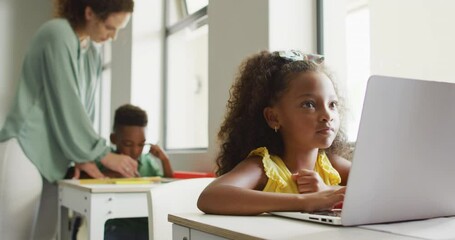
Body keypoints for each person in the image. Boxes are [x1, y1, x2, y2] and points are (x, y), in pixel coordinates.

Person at [0, 1, 137, 239]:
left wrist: (83, 157)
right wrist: (101, 153)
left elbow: (84, 113)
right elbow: (67, 102)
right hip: (25, 149)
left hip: (56, 161)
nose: (113, 37)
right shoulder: (57, 33)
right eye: (109, 27)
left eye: (118, 30)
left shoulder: (92, 55)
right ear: (89, 13)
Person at [197, 50, 352, 215]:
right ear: (273, 117)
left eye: (332, 104)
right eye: (309, 104)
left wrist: (328, 189)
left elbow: (379, 191)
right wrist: (307, 201)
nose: (327, 115)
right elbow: (210, 197)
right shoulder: (263, 168)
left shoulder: (331, 164)